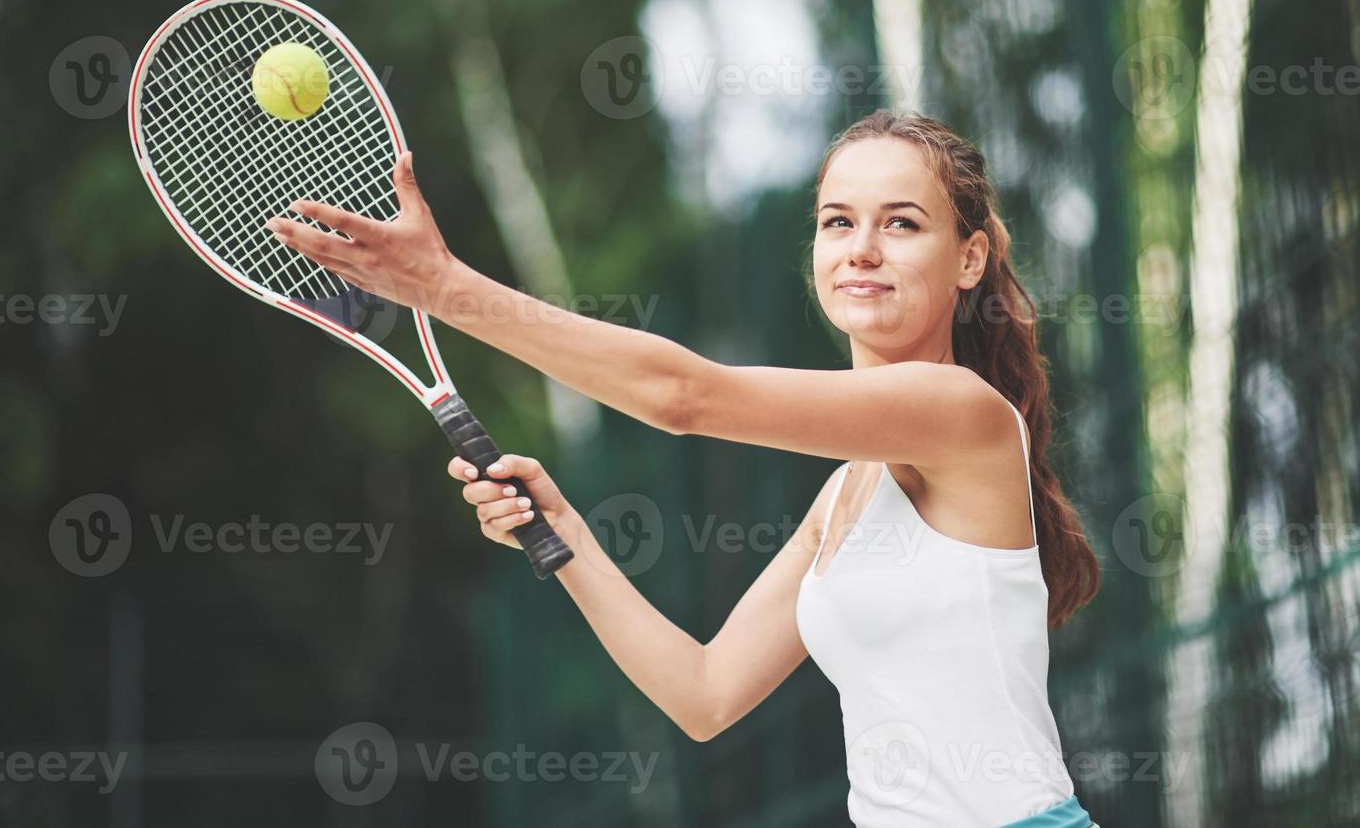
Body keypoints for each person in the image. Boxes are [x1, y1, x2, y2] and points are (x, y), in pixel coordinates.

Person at [267, 110, 1102, 827]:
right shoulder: (847, 489)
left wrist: (447, 288)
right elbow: (705, 694)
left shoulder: (963, 412)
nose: (862, 249)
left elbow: (682, 397)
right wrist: (568, 538)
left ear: (970, 258)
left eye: (903, 223)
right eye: (838, 221)